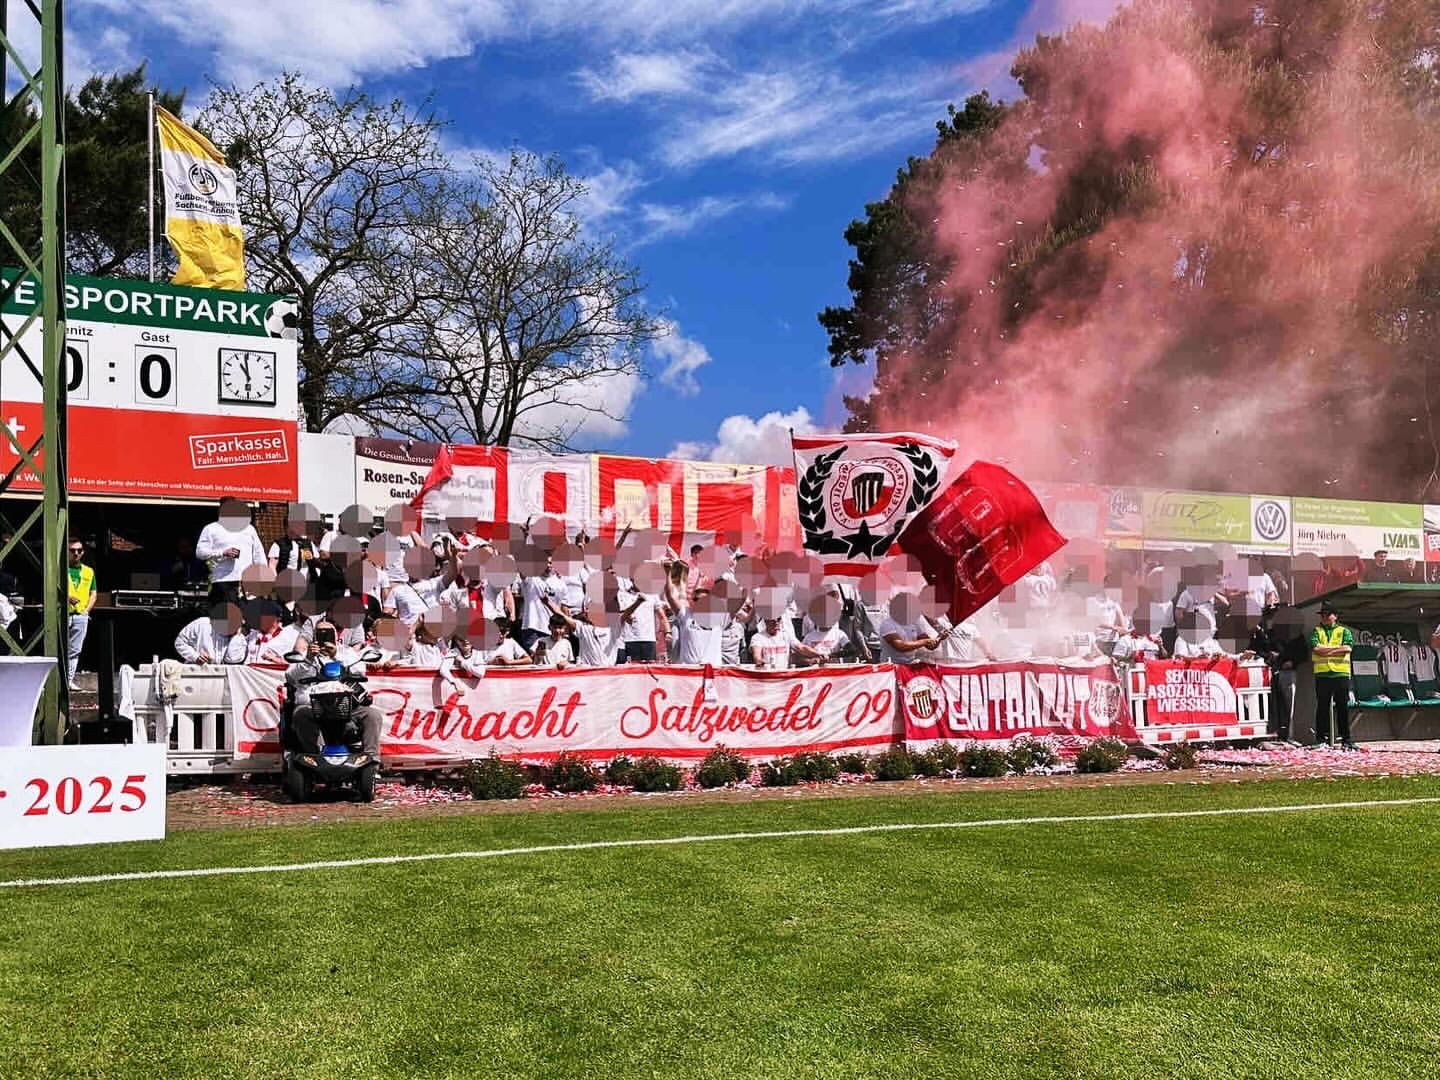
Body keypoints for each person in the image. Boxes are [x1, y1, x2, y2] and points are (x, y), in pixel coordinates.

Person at [284, 626, 382, 758]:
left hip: (346, 707)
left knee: (372, 715)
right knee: (300, 714)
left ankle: (372, 759)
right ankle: (312, 757)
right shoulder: (305, 654)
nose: (324, 636)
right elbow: (291, 676)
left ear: (335, 636)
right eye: (320, 632)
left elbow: (360, 670)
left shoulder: (346, 652)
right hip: (313, 707)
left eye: (328, 633)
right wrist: (309, 658)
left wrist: (336, 655)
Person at [195, 498, 266, 601]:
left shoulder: (249, 529)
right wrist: (222, 553)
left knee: (248, 615)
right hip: (222, 581)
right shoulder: (211, 529)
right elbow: (200, 552)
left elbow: (258, 553)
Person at [1311, 603, 1355, 749]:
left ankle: (1346, 739)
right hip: (1322, 674)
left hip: (1340, 673)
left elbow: (1347, 648)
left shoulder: (1344, 631)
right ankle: (1321, 739)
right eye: (1322, 614)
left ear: (1335, 616)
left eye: (1327, 614)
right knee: (1322, 707)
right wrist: (1337, 648)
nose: (1324, 617)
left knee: (1342, 706)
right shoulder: (1316, 630)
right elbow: (1316, 649)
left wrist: (1326, 650)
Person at [63, 537, 97, 691]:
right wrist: (67, 597)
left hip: (80, 615)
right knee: (59, 648)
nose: (76, 553)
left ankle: (68, 680)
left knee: (75, 650)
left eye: (79, 550)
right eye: (72, 550)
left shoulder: (89, 572)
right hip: (63, 614)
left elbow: (93, 594)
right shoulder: (60, 569)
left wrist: (86, 611)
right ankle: (57, 680)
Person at [174, 603, 251, 664]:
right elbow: (180, 642)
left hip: (219, 675)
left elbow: (232, 659)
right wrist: (195, 656)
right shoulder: (202, 623)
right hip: (196, 670)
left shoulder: (239, 637)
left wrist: (236, 636)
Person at [877, 595, 941, 664]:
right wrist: (924, 641)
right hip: (891, 666)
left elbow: (930, 646)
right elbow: (900, 646)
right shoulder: (887, 624)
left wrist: (939, 638)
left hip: (910, 665)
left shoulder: (915, 622)